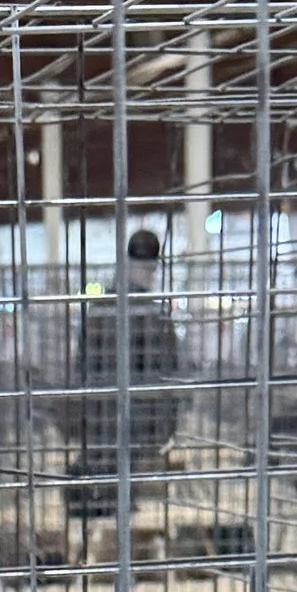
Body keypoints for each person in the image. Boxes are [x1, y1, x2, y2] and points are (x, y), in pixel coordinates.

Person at [66, 225, 184, 549]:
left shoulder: (104, 307)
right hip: (136, 417)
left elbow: (84, 362)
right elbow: (167, 370)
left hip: (108, 415)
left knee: (113, 472)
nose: (149, 273)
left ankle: (109, 536)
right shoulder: (151, 312)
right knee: (122, 473)